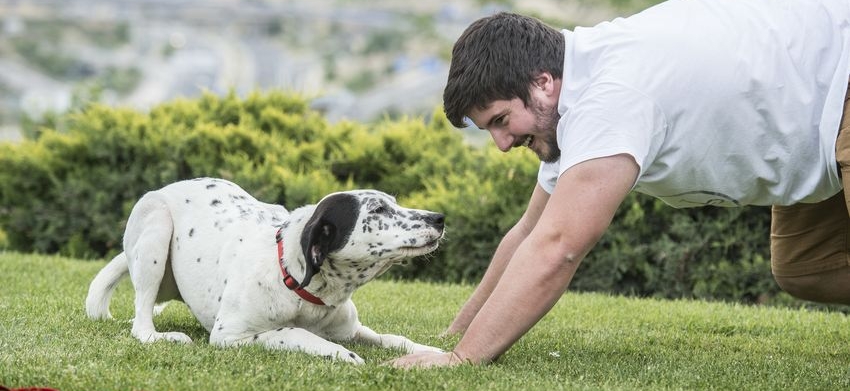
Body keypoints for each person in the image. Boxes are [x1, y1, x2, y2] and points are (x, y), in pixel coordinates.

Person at [388, 0, 850, 368]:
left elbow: (559, 246)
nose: (502, 144)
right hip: (815, 123)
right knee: (808, 267)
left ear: (542, 82)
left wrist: (462, 360)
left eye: (502, 121)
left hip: (839, 76)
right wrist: (454, 334)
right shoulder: (568, 103)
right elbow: (531, 230)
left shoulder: (611, 97)